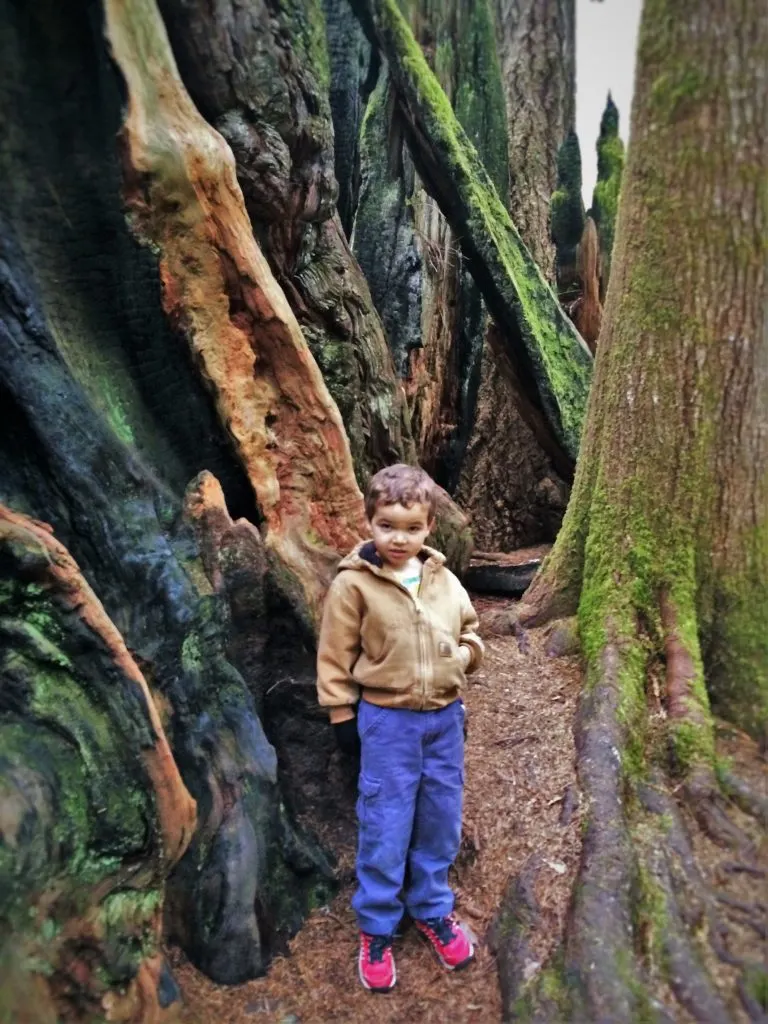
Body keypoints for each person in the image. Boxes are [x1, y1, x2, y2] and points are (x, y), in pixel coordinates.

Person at [316, 463, 484, 992]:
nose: (399, 538)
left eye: (411, 528)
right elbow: (334, 658)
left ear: (429, 526)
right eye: (387, 524)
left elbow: (472, 632)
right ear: (369, 520)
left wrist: (462, 657)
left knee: (440, 817)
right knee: (386, 822)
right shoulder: (353, 586)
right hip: (386, 723)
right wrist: (343, 718)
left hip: (443, 721)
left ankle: (433, 908)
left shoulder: (444, 578)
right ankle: (377, 925)